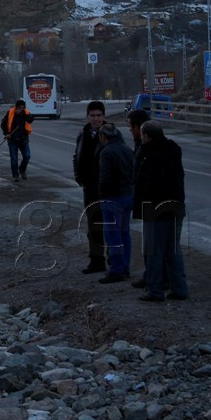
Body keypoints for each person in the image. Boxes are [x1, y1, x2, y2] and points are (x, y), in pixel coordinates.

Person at [133, 120, 190, 302]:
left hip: (154, 208)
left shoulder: (149, 155)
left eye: (142, 136)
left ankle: (154, 290)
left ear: (147, 136)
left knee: (153, 252)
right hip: (176, 206)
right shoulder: (173, 150)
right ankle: (180, 289)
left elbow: (148, 184)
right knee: (173, 250)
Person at [72, 101, 109, 274]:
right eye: (93, 116)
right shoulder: (83, 134)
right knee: (93, 226)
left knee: (111, 227)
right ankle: (97, 261)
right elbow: (76, 156)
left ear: (103, 116)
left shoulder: (111, 134)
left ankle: (117, 264)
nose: (96, 119)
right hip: (89, 188)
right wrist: (78, 177)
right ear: (88, 117)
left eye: (99, 115)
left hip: (108, 188)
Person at [96, 124, 135, 284]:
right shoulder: (127, 150)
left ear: (103, 137)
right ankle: (124, 266)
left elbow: (105, 178)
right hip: (128, 196)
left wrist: (101, 195)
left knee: (113, 235)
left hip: (112, 197)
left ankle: (117, 269)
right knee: (125, 233)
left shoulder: (107, 152)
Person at [126, 108, 154, 288]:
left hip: (152, 201)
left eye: (130, 126)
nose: (129, 130)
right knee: (150, 243)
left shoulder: (147, 148)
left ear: (138, 127)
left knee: (153, 244)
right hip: (147, 200)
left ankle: (154, 278)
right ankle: (151, 274)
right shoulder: (141, 145)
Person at [0, 99, 35, 181]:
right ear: (16, 107)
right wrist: (6, 133)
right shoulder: (10, 113)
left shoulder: (26, 113)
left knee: (27, 156)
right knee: (14, 158)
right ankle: (15, 175)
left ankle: (22, 170)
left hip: (23, 139)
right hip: (12, 140)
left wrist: (23, 114)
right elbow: (3, 124)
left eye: (23, 107)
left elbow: (30, 120)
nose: (21, 109)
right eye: (19, 107)